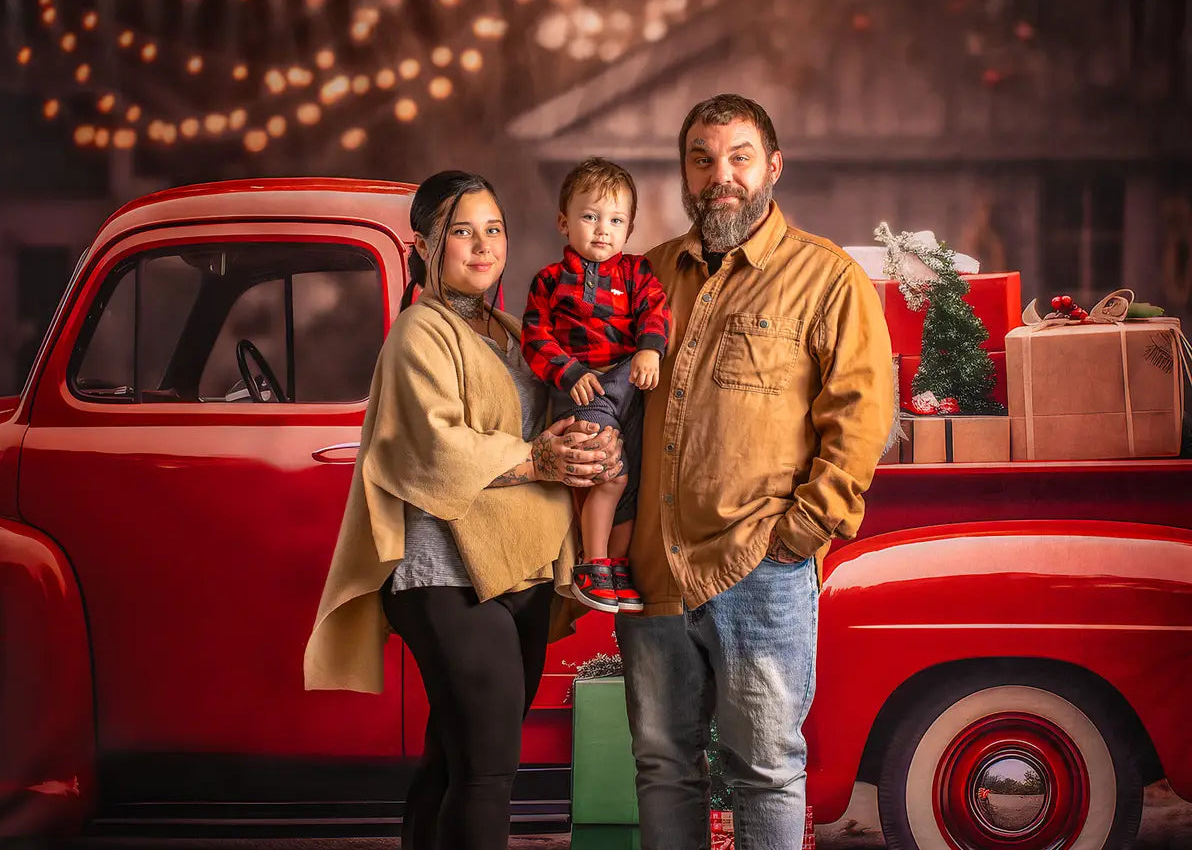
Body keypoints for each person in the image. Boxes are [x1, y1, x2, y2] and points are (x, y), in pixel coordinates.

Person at [303, 170, 622, 850]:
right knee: (488, 771)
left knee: (453, 759)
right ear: (424, 245)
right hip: (444, 575)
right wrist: (537, 460)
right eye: (462, 232)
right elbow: (432, 446)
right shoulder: (421, 331)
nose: (483, 246)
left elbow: (563, 413)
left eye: (494, 229)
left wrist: (592, 441)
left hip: (520, 569)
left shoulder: (513, 332)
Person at [617, 94, 894, 849]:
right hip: (653, 573)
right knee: (661, 764)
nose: (721, 177)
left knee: (766, 766)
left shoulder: (825, 277)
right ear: (684, 172)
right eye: (702, 160)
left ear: (773, 166)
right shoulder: (644, 277)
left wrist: (796, 536)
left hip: (759, 569)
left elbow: (863, 418)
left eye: (739, 157)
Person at [522, 157, 672, 614]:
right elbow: (535, 337)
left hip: (628, 388)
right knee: (608, 471)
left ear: (629, 229)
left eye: (615, 220)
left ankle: (619, 568)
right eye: (589, 217)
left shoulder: (637, 272)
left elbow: (656, 310)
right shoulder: (549, 280)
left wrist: (650, 348)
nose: (602, 229)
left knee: (631, 485)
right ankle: (593, 563)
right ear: (565, 222)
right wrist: (568, 371)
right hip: (581, 389)